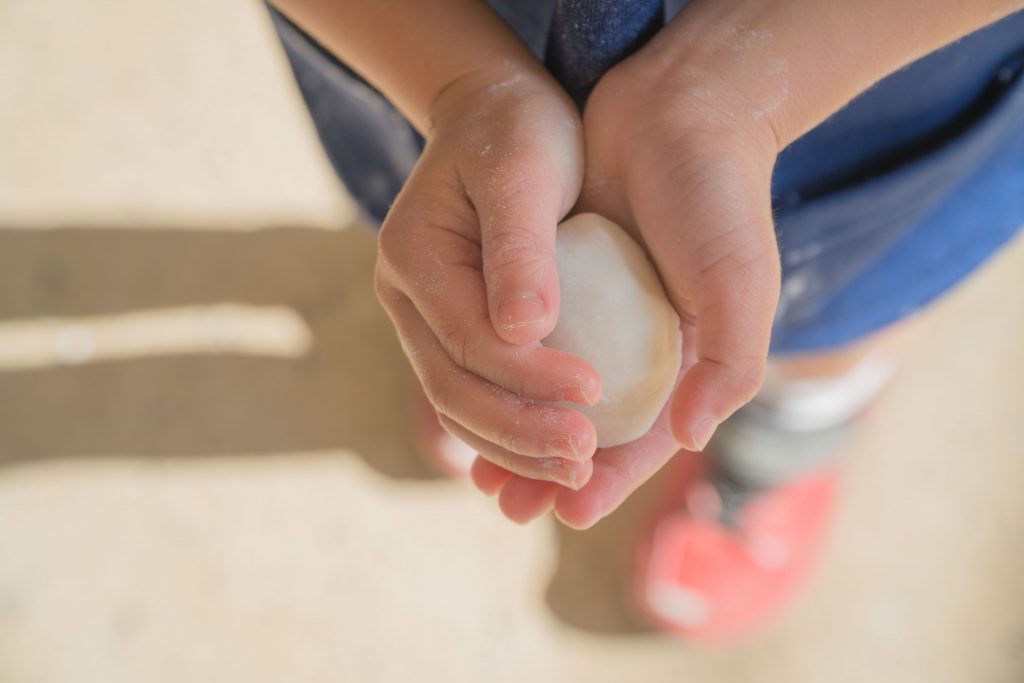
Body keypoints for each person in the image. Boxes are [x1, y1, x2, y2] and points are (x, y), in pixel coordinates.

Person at [266, 0, 1024, 640]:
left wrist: (740, 81)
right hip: (434, 24)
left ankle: (788, 434)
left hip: (872, 48)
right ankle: (496, 351)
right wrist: (459, 81)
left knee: (840, 287)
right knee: (487, 232)